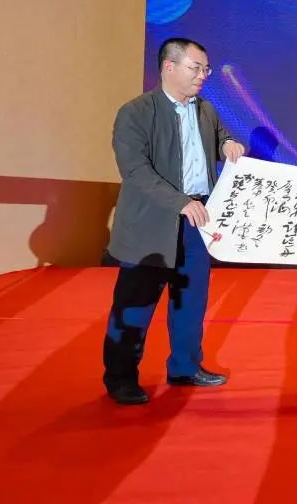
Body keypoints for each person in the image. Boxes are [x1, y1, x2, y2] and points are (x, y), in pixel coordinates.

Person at [102, 37, 245, 405]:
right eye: (195, 68)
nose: (203, 75)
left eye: (206, 69)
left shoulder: (206, 110)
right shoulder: (136, 112)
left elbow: (219, 137)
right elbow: (135, 170)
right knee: (135, 303)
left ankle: (185, 367)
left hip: (197, 222)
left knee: (190, 300)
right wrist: (179, 202)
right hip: (151, 223)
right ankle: (120, 378)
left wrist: (228, 145)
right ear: (169, 67)